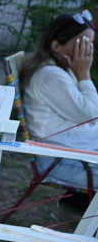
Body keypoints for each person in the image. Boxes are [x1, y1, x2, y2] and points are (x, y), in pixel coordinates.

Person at [21, 10, 97, 189]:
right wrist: (84, 74)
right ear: (57, 46)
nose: (87, 51)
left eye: (90, 44)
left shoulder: (63, 70)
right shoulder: (50, 76)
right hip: (60, 163)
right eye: (82, 44)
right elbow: (91, 115)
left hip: (78, 155)